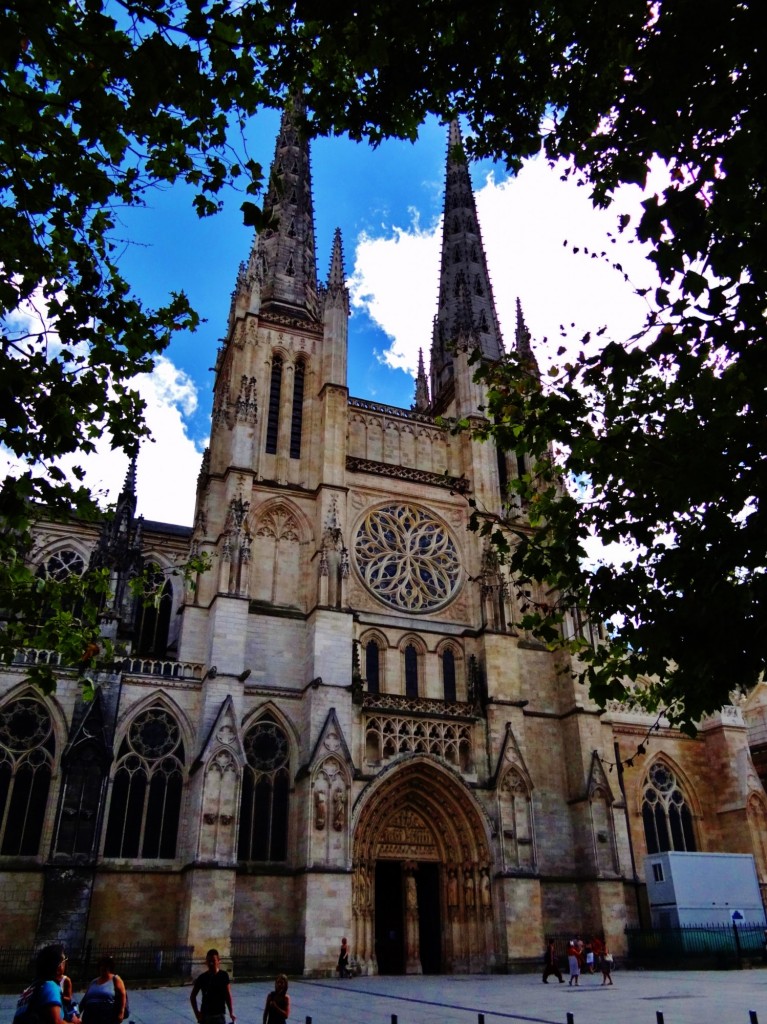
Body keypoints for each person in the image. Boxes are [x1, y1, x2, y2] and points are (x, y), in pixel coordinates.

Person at [14, 945, 81, 1024]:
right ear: (59, 966)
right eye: (64, 961)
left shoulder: (29, 990)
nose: (66, 964)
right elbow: (56, 1022)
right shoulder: (50, 986)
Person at [191, 950, 236, 1024]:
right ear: (206, 962)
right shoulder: (202, 978)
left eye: (213, 961)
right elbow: (193, 996)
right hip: (205, 1016)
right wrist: (197, 1013)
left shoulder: (224, 976)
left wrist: (231, 1012)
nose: (211, 963)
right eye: (209, 961)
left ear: (218, 961)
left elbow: (228, 995)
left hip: (219, 1015)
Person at [80, 956, 127, 1024]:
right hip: (90, 1016)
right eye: (101, 966)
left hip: (107, 1017)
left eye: (106, 966)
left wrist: (121, 1012)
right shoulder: (94, 981)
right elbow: (85, 998)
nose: (103, 968)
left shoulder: (115, 979)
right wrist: (78, 1013)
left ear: (110, 968)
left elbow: (123, 994)